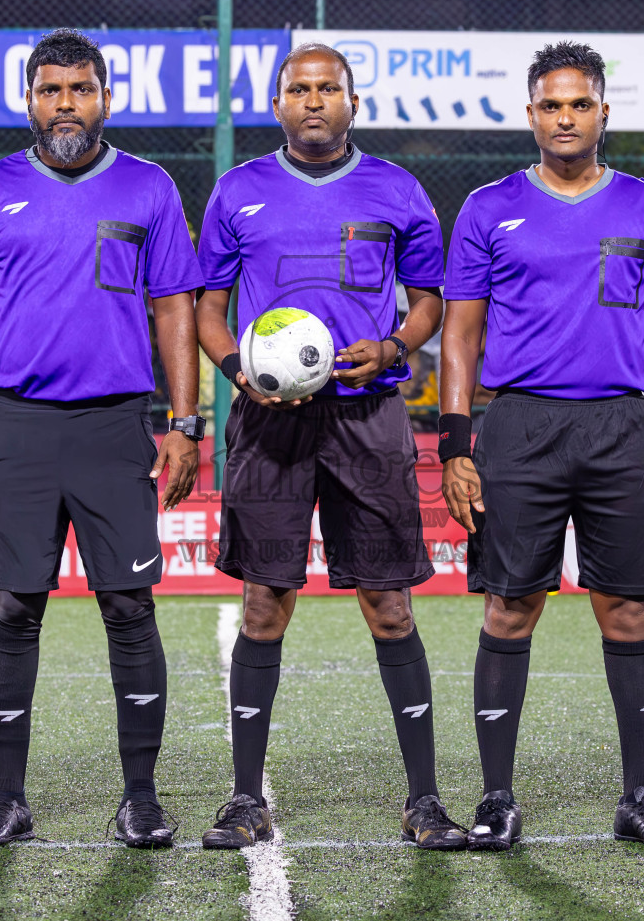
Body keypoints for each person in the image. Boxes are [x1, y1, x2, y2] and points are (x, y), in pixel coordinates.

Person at [0, 29, 204, 851]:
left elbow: (174, 312)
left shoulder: (150, 187)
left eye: (80, 90)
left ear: (105, 98)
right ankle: (7, 797)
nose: (66, 105)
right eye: (51, 91)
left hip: (117, 424)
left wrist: (185, 423)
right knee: (15, 609)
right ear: (29, 101)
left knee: (130, 607)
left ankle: (141, 799)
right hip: (17, 423)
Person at [194, 42, 464, 851]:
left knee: (389, 604)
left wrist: (393, 346)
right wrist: (236, 367)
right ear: (278, 103)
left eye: (328, 88)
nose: (313, 101)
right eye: (297, 88)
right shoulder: (238, 191)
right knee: (264, 602)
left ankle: (423, 799)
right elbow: (208, 311)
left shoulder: (397, 189)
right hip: (271, 422)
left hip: (369, 416)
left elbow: (429, 303)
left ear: (351, 100)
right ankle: (246, 799)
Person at [440, 41, 644, 852]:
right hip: (518, 426)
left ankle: (641, 798)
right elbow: (460, 335)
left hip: (624, 427)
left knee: (625, 609)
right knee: (510, 606)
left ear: (602, 113)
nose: (566, 117)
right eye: (551, 105)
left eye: (580, 104)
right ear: (530, 115)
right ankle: (495, 800)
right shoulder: (489, 208)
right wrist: (456, 444)